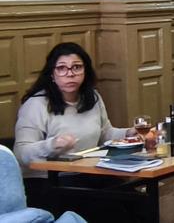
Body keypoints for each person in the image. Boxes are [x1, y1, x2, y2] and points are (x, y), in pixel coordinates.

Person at [15, 43, 136, 215]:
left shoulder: (92, 97)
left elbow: (105, 134)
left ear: (85, 71)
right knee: (109, 210)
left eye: (76, 67)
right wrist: (52, 145)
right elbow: (21, 152)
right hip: (49, 181)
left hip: (88, 173)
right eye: (62, 68)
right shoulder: (36, 104)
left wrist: (129, 133)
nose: (70, 74)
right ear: (52, 74)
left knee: (137, 202)